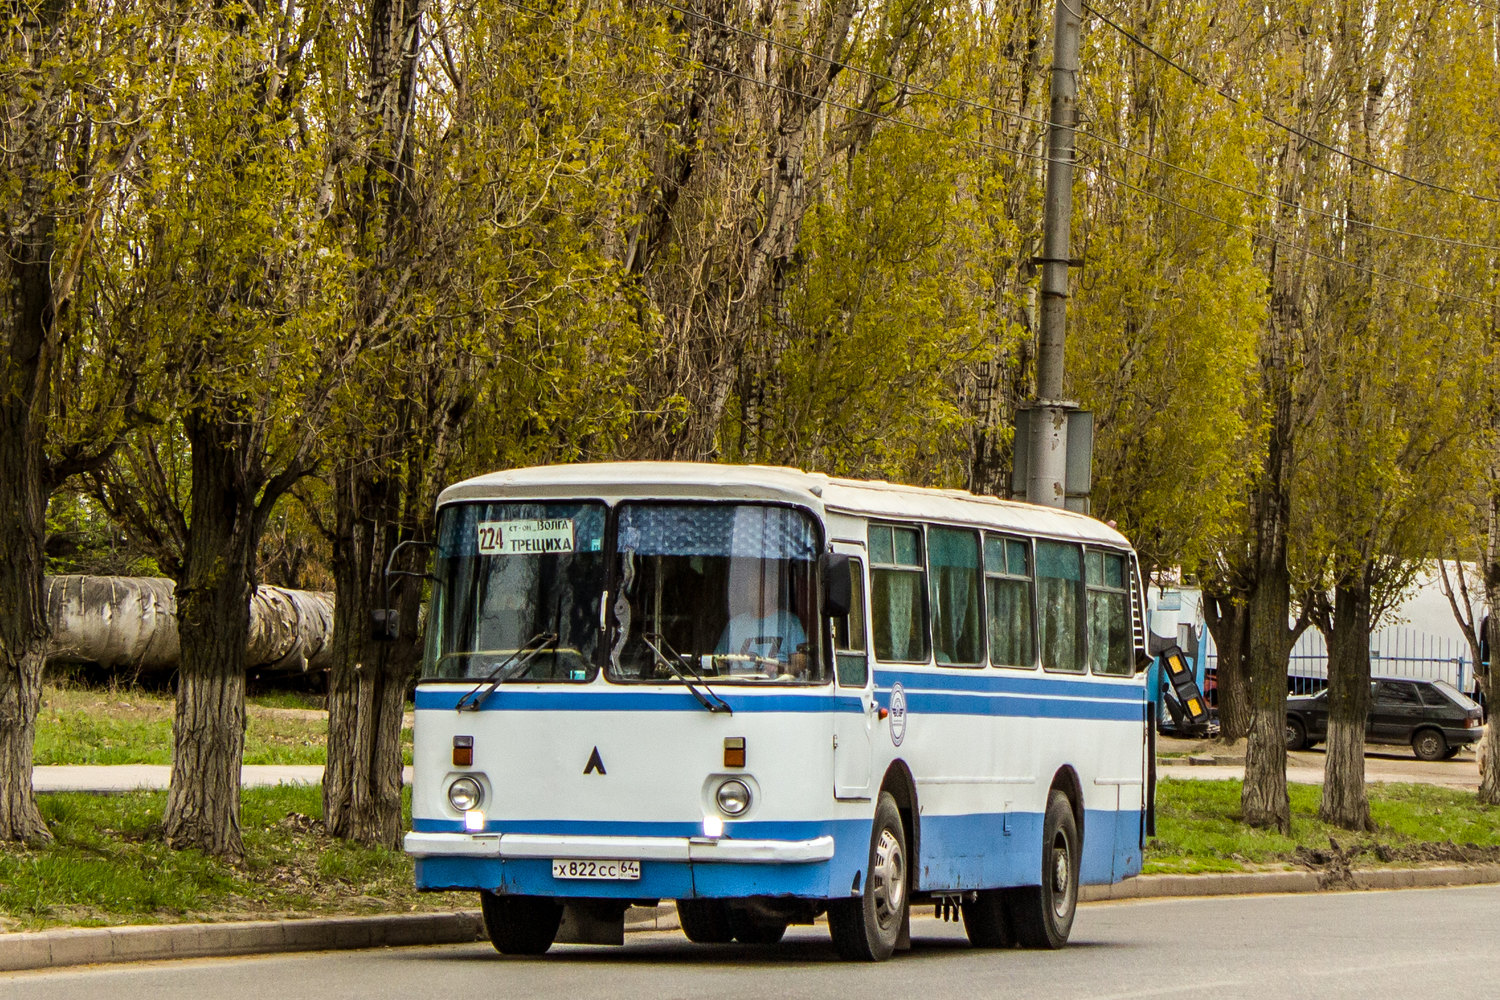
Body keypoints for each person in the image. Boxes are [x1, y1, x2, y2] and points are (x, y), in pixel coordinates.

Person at [716, 557, 809, 677]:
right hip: (738, 690)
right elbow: (718, 663)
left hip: (778, 690)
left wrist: (780, 669)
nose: (757, 592)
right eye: (752, 587)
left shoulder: (790, 623)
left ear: (773, 591)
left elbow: (800, 666)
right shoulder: (734, 625)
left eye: (762, 586)